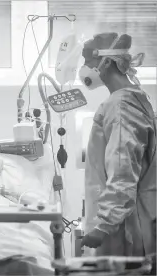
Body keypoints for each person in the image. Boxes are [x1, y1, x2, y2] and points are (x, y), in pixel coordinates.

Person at [79, 32, 156, 256]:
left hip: (126, 229)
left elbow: (123, 169)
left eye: (87, 61)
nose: (84, 68)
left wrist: (103, 225)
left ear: (106, 61)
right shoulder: (135, 98)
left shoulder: (121, 105)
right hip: (133, 220)